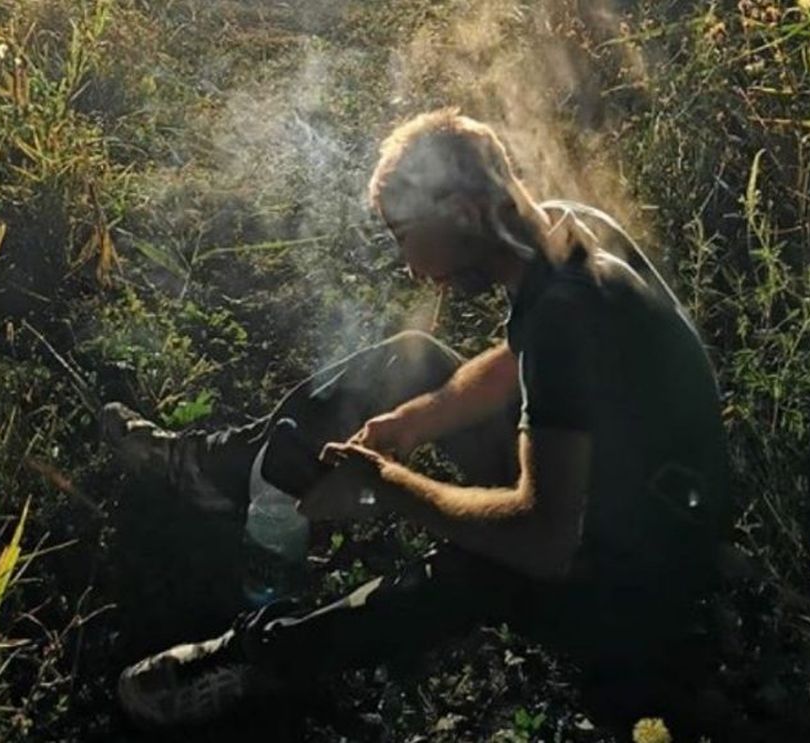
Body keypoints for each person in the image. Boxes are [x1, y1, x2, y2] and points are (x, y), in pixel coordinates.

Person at [106, 108, 733, 732]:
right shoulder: (565, 231)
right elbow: (517, 361)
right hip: (615, 479)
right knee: (416, 358)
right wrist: (407, 424)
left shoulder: (565, 315)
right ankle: (211, 471)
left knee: (478, 565)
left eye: (404, 236)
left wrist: (382, 483)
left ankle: (259, 658)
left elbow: (543, 540)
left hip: (638, 576)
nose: (410, 267)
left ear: (461, 211)